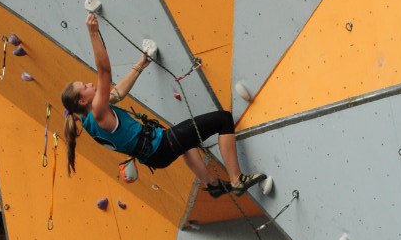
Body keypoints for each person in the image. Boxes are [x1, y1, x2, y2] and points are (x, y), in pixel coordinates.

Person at [61, 14, 265, 196]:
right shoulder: (97, 112)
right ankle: (237, 180)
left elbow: (118, 93)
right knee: (223, 120)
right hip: (162, 145)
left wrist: (140, 64)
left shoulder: (85, 119)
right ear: (83, 100)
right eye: (84, 86)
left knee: (188, 143)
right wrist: (93, 33)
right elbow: (104, 70)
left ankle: (212, 184)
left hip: (154, 157)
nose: (89, 83)